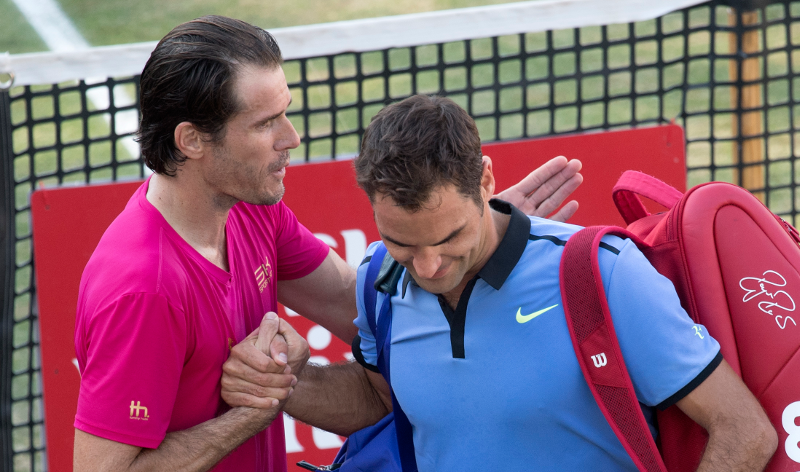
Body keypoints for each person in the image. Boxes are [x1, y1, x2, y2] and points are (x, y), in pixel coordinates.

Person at [72, 16, 583, 472]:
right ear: (192, 141)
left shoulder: (252, 210)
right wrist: (252, 411)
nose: (291, 137)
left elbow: (359, 305)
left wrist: (467, 241)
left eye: (285, 112)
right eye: (265, 123)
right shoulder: (143, 289)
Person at [223, 95, 778, 471]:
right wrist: (286, 384)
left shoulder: (605, 274)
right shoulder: (378, 282)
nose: (429, 268)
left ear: (486, 181)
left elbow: (744, 430)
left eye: (449, 238)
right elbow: (379, 401)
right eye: (404, 243)